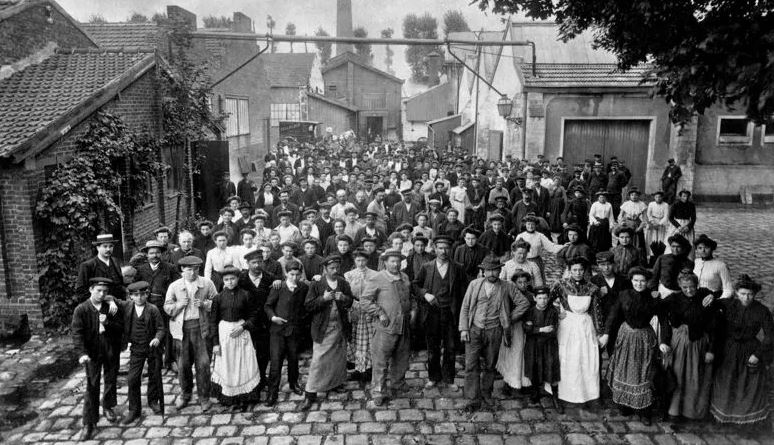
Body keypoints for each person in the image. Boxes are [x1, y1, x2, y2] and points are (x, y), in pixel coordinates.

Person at [602, 266, 669, 425]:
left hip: (644, 337)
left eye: (643, 281)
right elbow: (613, 315)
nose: (639, 284)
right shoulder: (624, 295)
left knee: (644, 371)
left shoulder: (654, 297)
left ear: (647, 282)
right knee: (624, 368)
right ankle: (625, 403)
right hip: (626, 336)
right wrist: (606, 333)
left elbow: (664, 321)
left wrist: (664, 341)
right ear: (631, 281)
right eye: (636, 280)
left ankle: (644, 411)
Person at [459, 256, 526, 412]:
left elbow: (524, 303)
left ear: (500, 271)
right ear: (483, 271)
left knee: (490, 365)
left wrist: (507, 319)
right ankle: (472, 398)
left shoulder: (507, 286)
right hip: (474, 329)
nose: (491, 273)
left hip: (495, 331)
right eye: (488, 270)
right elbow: (465, 307)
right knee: (471, 365)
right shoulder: (474, 285)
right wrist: (464, 329)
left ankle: (486, 394)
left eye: (494, 270)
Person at [710, 274, 774, 428]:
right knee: (726, 380)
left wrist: (757, 355)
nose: (747, 297)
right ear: (737, 293)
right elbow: (710, 306)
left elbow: (770, 335)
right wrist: (710, 299)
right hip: (729, 348)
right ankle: (723, 416)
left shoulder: (762, 310)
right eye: (743, 294)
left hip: (749, 349)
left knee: (747, 384)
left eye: (750, 294)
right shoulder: (727, 304)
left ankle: (744, 419)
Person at [660, 271, 718, 421]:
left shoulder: (704, 296)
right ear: (679, 286)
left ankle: (691, 411)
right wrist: (664, 340)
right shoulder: (674, 299)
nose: (689, 290)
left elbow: (714, 325)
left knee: (695, 376)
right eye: (685, 287)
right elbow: (659, 311)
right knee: (677, 376)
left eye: (692, 287)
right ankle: (674, 411)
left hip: (699, 342)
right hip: (679, 341)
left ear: (697, 285)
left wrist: (711, 349)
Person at [411, 235, 467, 391]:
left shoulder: (458, 268)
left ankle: (449, 379)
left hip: (450, 313)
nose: (444, 251)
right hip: (432, 314)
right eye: (440, 248)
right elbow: (414, 285)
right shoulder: (427, 267)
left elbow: (464, 292)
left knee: (450, 348)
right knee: (432, 348)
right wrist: (425, 294)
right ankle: (433, 377)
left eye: (447, 248)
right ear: (435, 249)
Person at [71, 277, 124, 440]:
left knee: (111, 378)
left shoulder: (111, 307)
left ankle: (108, 406)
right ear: (90, 290)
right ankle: (89, 422)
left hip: (110, 348)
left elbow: (120, 328)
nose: (101, 294)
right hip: (92, 351)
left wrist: (107, 321)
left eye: (105, 292)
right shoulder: (82, 309)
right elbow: (77, 333)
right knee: (91, 385)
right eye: (98, 291)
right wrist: (82, 353)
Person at [164, 256, 217, 412]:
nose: (192, 273)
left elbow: (217, 302)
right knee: (183, 365)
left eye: (195, 269)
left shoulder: (207, 283)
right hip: (181, 331)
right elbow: (167, 307)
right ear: (182, 270)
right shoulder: (174, 286)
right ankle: (185, 394)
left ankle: (204, 397)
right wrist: (179, 305)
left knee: (203, 364)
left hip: (202, 329)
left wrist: (206, 304)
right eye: (188, 269)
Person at [361, 249, 414, 406]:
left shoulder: (404, 277)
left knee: (402, 356)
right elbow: (365, 301)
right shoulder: (378, 278)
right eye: (392, 261)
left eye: (398, 261)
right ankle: (378, 390)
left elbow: (410, 297)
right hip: (386, 326)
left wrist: (413, 310)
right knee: (381, 360)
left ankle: (398, 382)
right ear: (385, 262)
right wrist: (380, 313)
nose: (396, 264)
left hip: (404, 325)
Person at [301, 255, 354, 410]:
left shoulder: (343, 283)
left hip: (339, 326)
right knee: (319, 360)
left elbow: (350, 301)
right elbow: (308, 305)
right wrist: (323, 299)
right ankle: (310, 393)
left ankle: (334, 383)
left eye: (337, 268)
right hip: (323, 329)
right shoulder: (317, 284)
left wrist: (344, 297)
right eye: (331, 268)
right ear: (324, 269)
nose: (335, 271)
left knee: (338, 357)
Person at [550, 257, 603, 406]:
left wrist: (600, 333)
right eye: (574, 270)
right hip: (567, 325)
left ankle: (585, 394)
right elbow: (548, 302)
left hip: (586, 326)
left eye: (580, 270)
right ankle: (562, 394)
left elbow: (596, 312)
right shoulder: (560, 285)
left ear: (585, 271)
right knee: (566, 358)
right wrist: (557, 312)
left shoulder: (592, 288)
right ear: (569, 270)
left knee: (584, 358)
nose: (578, 273)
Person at [210, 266, 261, 411]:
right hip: (225, 334)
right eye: (226, 280)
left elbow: (254, 316)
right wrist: (215, 343)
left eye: (232, 279)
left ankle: (246, 398)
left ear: (238, 279)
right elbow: (213, 321)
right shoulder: (218, 298)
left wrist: (243, 327)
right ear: (223, 281)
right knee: (228, 365)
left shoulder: (245, 295)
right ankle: (231, 399)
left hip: (241, 332)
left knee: (244, 364)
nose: (230, 282)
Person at [264, 260, 308, 406]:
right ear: (286, 274)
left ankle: (293, 383)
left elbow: (305, 307)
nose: (294, 277)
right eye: (291, 274)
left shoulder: (302, 287)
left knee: (293, 358)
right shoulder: (279, 287)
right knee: (276, 361)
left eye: (297, 274)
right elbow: (268, 306)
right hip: (277, 331)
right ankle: (272, 392)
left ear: (301, 274)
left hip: (294, 330)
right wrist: (273, 317)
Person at [121, 281, 165, 424]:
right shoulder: (128, 307)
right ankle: (134, 409)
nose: (139, 298)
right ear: (131, 297)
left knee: (154, 375)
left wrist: (157, 338)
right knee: (132, 378)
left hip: (152, 347)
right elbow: (112, 299)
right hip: (136, 348)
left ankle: (153, 401)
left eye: (142, 295)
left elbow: (161, 328)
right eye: (136, 295)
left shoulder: (153, 309)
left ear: (147, 295)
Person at [136, 240, 180, 374]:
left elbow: (177, 286)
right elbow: (135, 287)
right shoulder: (141, 269)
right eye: (151, 253)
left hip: (164, 305)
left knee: (167, 332)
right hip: (147, 306)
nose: (155, 255)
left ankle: (170, 360)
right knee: (148, 332)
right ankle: (151, 361)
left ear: (161, 254)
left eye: (157, 252)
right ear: (147, 255)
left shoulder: (170, 268)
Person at [238, 250, 274, 399]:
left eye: (260, 262)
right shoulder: (241, 279)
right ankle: (249, 380)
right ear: (248, 264)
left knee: (263, 352)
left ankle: (261, 378)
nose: (257, 265)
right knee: (247, 352)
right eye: (254, 262)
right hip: (247, 323)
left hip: (265, 323)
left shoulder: (270, 278)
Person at [523, 286, 562, 413]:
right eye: (540, 298)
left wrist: (537, 330)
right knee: (534, 367)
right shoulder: (530, 312)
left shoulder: (552, 312)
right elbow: (527, 329)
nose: (543, 301)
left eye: (545, 298)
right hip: (533, 346)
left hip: (549, 345)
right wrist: (540, 329)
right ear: (534, 298)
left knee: (551, 368)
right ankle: (535, 393)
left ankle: (555, 396)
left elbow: (552, 330)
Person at [345, 248, 380, 384]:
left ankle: (369, 369)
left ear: (367, 260)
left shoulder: (375, 275)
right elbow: (347, 294)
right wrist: (353, 306)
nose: (361, 263)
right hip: (355, 309)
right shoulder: (348, 275)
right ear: (354, 260)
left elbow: (377, 293)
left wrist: (372, 308)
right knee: (355, 340)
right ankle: (358, 369)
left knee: (368, 340)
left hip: (369, 309)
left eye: (363, 260)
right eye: (358, 260)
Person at [590, 251, 631, 357]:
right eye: (602, 265)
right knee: (596, 355)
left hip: (619, 323)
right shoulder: (594, 281)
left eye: (609, 264)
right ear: (598, 265)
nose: (606, 267)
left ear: (614, 264)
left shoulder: (623, 281)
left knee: (616, 354)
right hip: (600, 323)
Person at [76, 233, 124, 299]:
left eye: (111, 246)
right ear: (98, 248)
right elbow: (81, 291)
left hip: (117, 304)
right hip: (98, 306)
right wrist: (104, 298)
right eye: (105, 246)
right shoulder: (88, 265)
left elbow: (120, 285)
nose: (108, 249)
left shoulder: (115, 262)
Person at [692, 234, 734, 299]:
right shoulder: (695, 262)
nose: (703, 250)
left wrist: (717, 300)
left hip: (713, 298)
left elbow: (728, 290)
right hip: (696, 298)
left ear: (712, 249)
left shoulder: (721, 265)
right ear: (696, 249)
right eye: (700, 248)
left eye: (706, 247)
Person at [666, 190, 696, 257]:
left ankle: (687, 258)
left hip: (687, 225)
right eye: (684, 196)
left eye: (687, 196)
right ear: (680, 197)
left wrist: (688, 227)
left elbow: (693, 218)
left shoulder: (691, 205)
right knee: (675, 241)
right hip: (677, 225)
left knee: (688, 242)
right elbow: (670, 218)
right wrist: (678, 226)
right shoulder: (675, 204)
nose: (686, 198)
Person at [644, 191, 670, 258]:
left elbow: (666, 216)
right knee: (652, 239)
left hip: (661, 223)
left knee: (660, 238)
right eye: (656, 197)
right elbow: (648, 214)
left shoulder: (666, 205)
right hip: (652, 222)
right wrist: (652, 222)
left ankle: (659, 254)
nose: (658, 198)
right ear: (654, 197)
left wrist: (659, 224)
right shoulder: (651, 204)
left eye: (660, 197)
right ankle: (651, 255)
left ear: (662, 197)